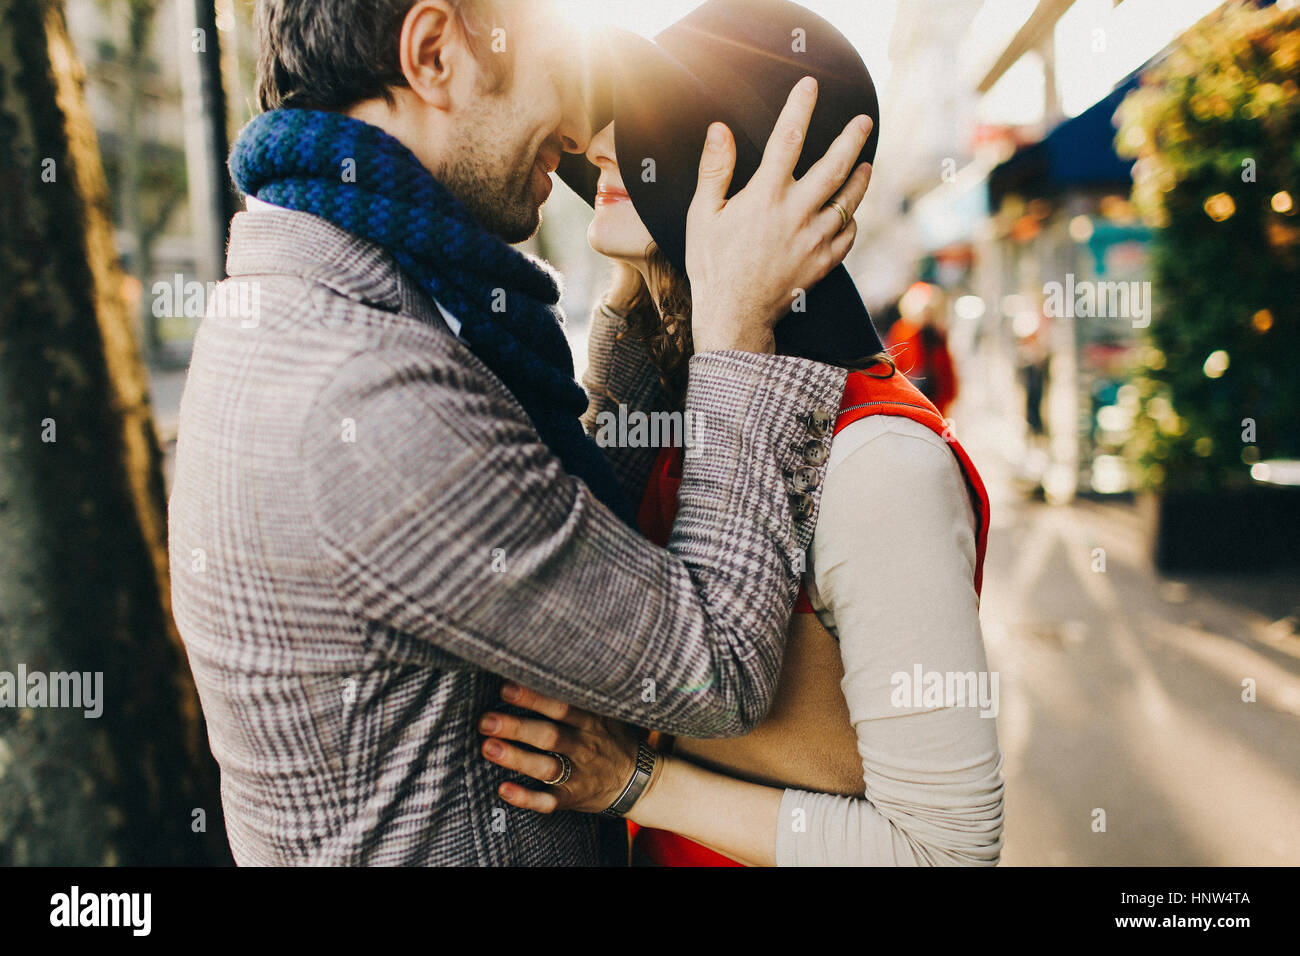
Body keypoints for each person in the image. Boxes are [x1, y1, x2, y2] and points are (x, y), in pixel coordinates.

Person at [167, 0, 873, 866]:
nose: (581, 131)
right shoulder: (372, 394)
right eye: (563, 76)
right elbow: (716, 667)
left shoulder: (312, 296)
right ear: (435, 55)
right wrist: (735, 329)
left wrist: (658, 279)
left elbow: (565, 518)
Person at [475, 0, 1005, 866]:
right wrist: (652, 289)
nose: (598, 143)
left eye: (653, 123)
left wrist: (640, 780)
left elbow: (946, 851)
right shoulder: (692, 406)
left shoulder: (878, 462)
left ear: (763, 169)